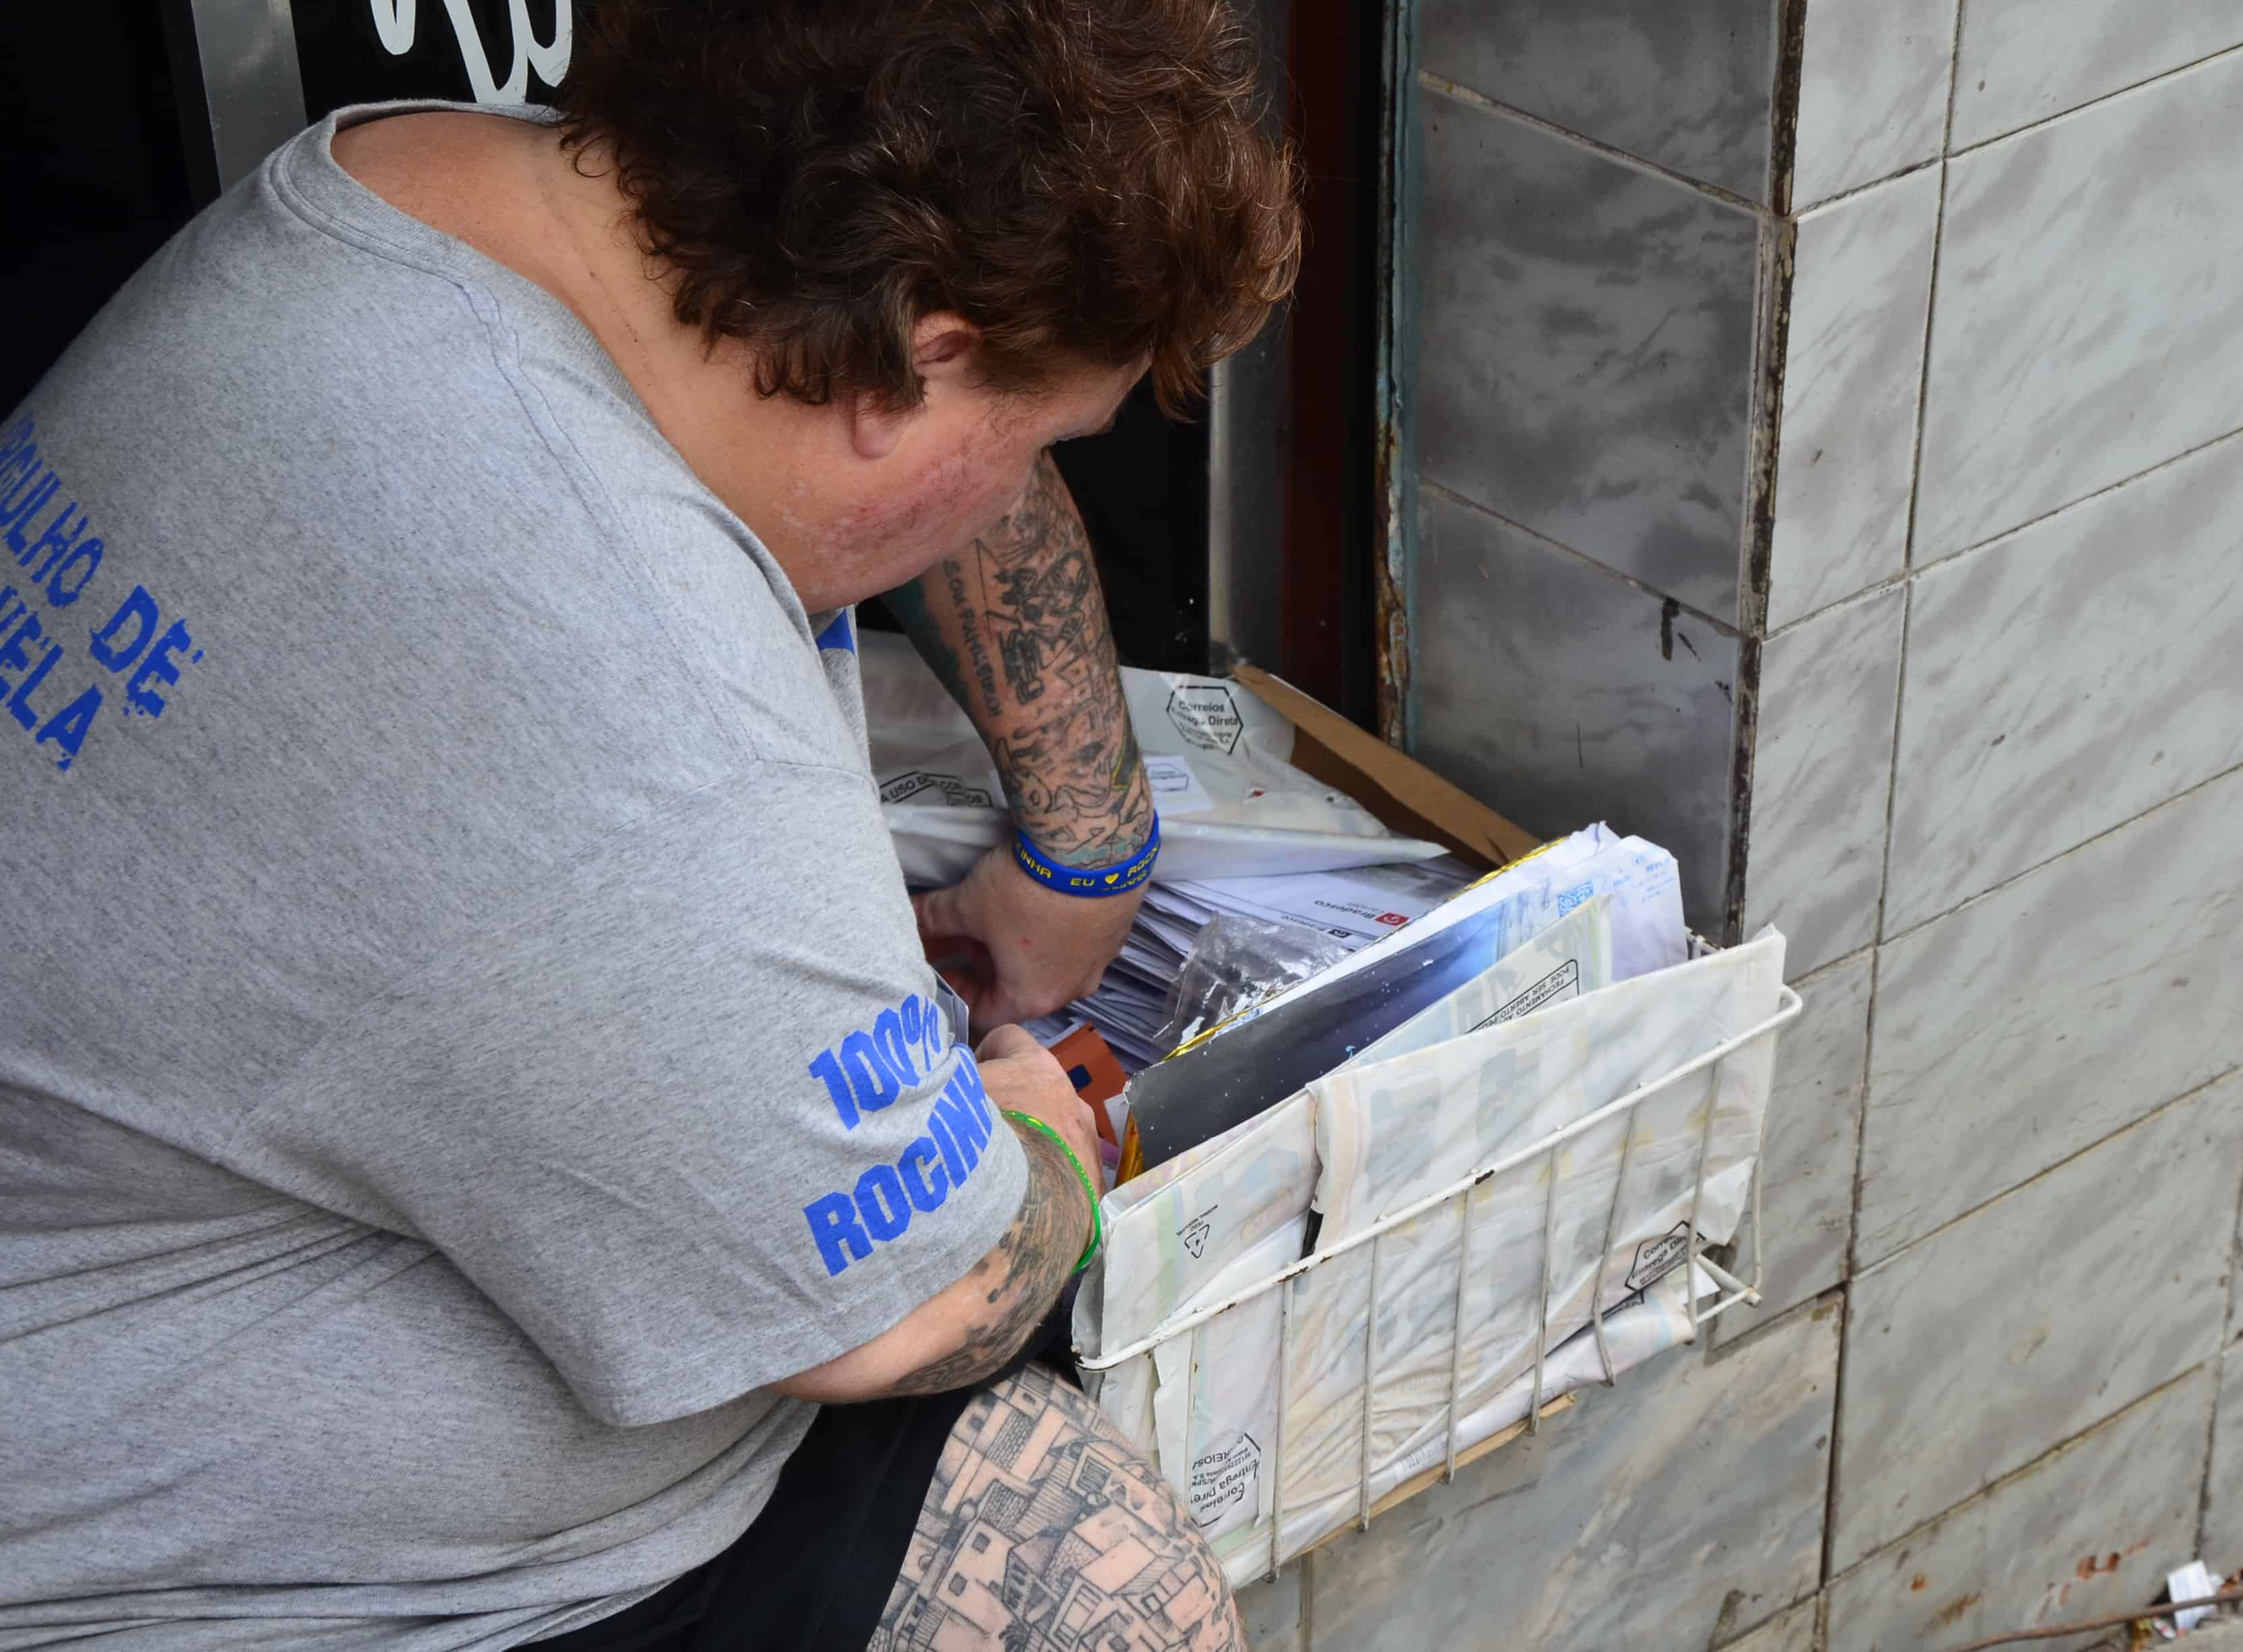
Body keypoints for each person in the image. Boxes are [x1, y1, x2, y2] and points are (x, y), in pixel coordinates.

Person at [0, 0, 1298, 1645]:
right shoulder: (631, 724)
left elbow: (938, 423)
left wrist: (1084, 830)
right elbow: (903, 1313)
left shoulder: (433, 188)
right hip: (232, 1590)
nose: (1025, 473)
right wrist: (1036, 1135)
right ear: (922, 360)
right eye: (1043, 437)